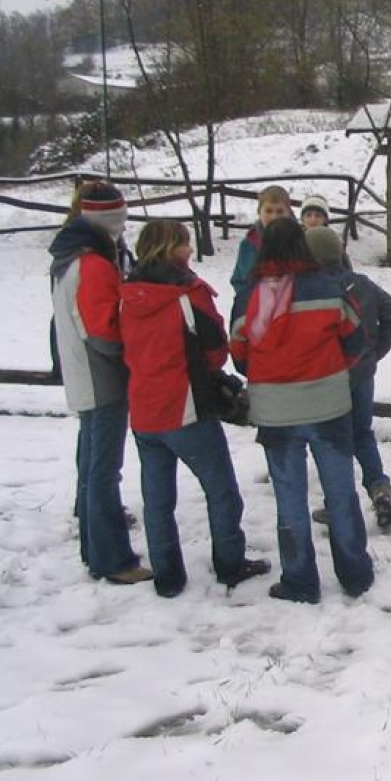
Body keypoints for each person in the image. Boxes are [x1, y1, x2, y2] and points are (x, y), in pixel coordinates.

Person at [121, 220, 270, 597]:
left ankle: (168, 576)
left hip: (143, 409)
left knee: (157, 500)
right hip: (183, 406)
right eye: (185, 244)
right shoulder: (188, 295)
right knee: (221, 491)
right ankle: (230, 563)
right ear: (171, 249)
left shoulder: (127, 293)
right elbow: (215, 349)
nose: (190, 251)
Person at [231, 217, 373, 603]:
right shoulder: (328, 287)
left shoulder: (248, 296)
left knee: (289, 498)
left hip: (275, 410)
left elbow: (239, 354)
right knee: (340, 492)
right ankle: (355, 572)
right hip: (328, 404)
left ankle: (299, 579)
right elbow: (356, 338)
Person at [48, 181, 151, 584]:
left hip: (83, 371)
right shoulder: (93, 264)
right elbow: (103, 330)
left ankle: (96, 550)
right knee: (104, 470)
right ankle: (113, 558)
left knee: (93, 467)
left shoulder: (69, 257)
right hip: (100, 376)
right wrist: (133, 352)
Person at [305, 226, 391, 530]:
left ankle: (336, 503)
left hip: (327, 377)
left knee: (332, 440)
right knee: (361, 433)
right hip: (362, 372)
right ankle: (380, 490)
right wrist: (374, 352)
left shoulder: (310, 289)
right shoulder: (362, 284)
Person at [230, 185, 291, 329]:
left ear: (288, 212)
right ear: (259, 212)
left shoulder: (299, 240)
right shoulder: (249, 244)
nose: (274, 217)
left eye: (280, 211)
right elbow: (239, 280)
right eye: (269, 211)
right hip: (258, 312)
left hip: (291, 312)